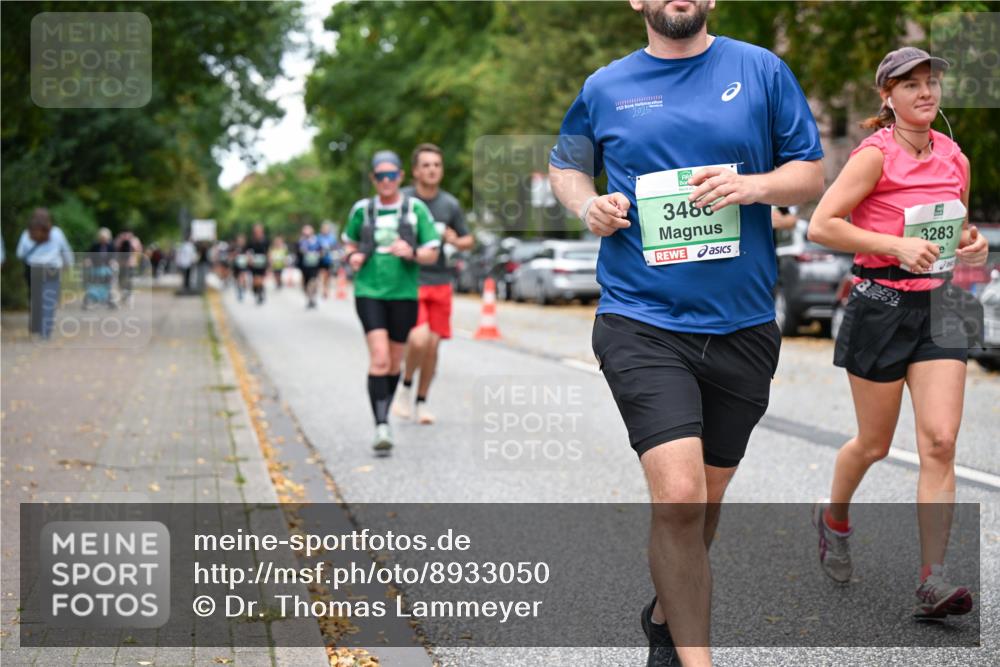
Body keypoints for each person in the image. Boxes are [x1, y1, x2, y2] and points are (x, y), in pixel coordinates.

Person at [548, 2, 824, 664]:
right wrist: (589, 204)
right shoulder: (606, 86)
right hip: (641, 318)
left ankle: (665, 617)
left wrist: (751, 185)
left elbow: (810, 174)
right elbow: (566, 166)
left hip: (743, 324)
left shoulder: (761, 70)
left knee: (706, 497)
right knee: (678, 496)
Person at [807, 47, 988, 619]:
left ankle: (933, 578)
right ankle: (833, 517)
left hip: (939, 305)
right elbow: (821, 226)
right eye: (910, 85)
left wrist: (972, 245)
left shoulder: (955, 157)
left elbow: (957, 228)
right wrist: (894, 246)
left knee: (939, 441)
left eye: (931, 82)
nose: (925, 92)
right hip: (879, 305)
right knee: (874, 444)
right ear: (888, 96)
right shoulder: (873, 156)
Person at [342, 150, 440, 453]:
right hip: (369, 291)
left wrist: (412, 252)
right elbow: (349, 242)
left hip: (403, 294)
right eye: (380, 176)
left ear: (400, 176)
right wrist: (353, 256)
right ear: (373, 179)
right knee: (380, 358)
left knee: (396, 362)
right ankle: (381, 425)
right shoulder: (363, 210)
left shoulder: (415, 209)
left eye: (391, 175)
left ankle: (385, 411)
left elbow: (432, 251)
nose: (386, 181)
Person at [393, 143, 473, 424]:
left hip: (441, 281)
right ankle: (405, 386)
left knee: (432, 347)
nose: (432, 170)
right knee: (418, 339)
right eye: (426, 165)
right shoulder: (402, 200)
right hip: (410, 280)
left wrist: (455, 240)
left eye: (437, 165)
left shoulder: (449, 204)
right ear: (415, 171)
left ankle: (421, 401)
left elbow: (468, 240)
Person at [16, 208, 74, 339]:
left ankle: (36, 327)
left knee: (35, 299)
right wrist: (68, 264)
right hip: (52, 269)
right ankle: (45, 332)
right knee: (49, 300)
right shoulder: (56, 232)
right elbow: (66, 250)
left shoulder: (27, 233)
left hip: (33, 269)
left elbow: (20, 253)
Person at [297, 225, 323, 308]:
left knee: (313, 281)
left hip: (314, 265)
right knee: (306, 283)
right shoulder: (301, 241)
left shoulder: (317, 240)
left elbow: (321, 250)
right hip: (304, 266)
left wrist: (317, 254)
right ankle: (309, 298)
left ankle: (312, 297)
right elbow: (299, 252)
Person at [247, 223, 270, 305]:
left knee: (260, 279)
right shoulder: (251, 241)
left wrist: (269, 262)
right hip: (254, 263)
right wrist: (249, 259)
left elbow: (268, 252)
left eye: (259, 230)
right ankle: (257, 290)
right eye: (256, 231)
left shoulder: (266, 241)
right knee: (255, 280)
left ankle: (260, 292)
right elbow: (248, 252)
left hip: (262, 263)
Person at [317, 221, 338, 299]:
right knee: (321, 274)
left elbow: (335, 247)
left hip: (328, 259)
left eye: (326, 229)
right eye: (324, 229)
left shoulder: (332, 238)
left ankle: (325, 289)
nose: (325, 230)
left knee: (327, 275)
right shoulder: (318, 237)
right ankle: (323, 288)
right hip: (320, 259)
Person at [230, 234, 249, 301]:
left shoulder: (246, 248)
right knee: (237, 279)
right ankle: (239, 289)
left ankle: (242, 289)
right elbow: (230, 257)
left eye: (242, 240)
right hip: (236, 266)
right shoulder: (234, 248)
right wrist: (234, 255)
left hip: (243, 265)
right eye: (239, 240)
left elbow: (249, 255)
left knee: (242, 277)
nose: (241, 242)